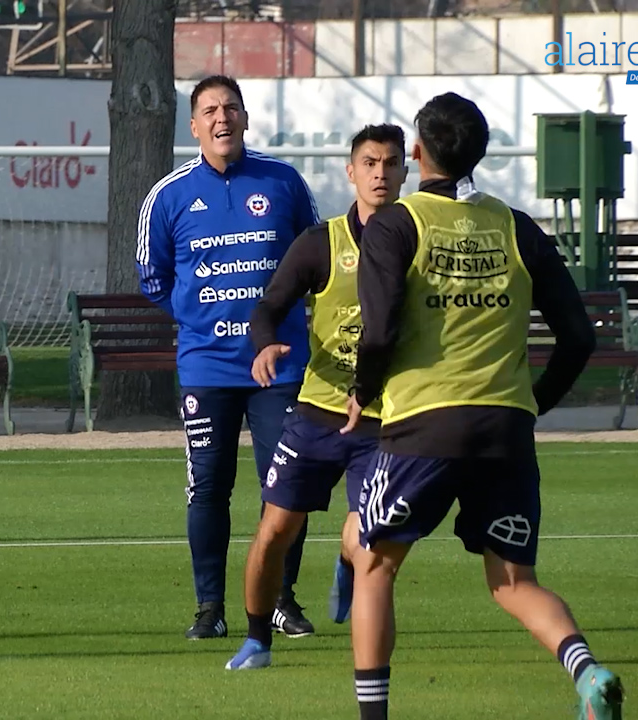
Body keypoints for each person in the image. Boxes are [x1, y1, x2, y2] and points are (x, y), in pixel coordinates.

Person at [340, 93, 622, 720]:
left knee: (373, 562)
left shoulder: (396, 223)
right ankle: (588, 672)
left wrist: (360, 391)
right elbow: (579, 337)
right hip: (505, 431)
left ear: (416, 153)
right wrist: (533, 404)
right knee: (514, 581)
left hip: (423, 428)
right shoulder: (517, 226)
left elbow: (380, 331)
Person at [137, 75, 321, 640]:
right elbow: (153, 278)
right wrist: (201, 318)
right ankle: (209, 608)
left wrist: (277, 321)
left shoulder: (283, 181)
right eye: (210, 110)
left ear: (245, 119)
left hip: (281, 367)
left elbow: (315, 258)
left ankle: (282, 601)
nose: (222, 118)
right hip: (207, 368)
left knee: (286, 486)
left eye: (231, 108)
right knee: (209, 488)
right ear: (194, 127)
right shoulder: (167, 196)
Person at [226, 124, 409, 670]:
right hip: (317, 412)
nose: (380, 173)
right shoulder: (321, 242)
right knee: (276, 528)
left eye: (391, 163)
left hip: (385, 420)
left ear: (405, 171)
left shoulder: (420, 240)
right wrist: (263, 346)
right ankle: (258, 638)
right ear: (350, 172)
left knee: (369, 543)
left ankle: (354, 584)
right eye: (370, 163)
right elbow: (268, 307)